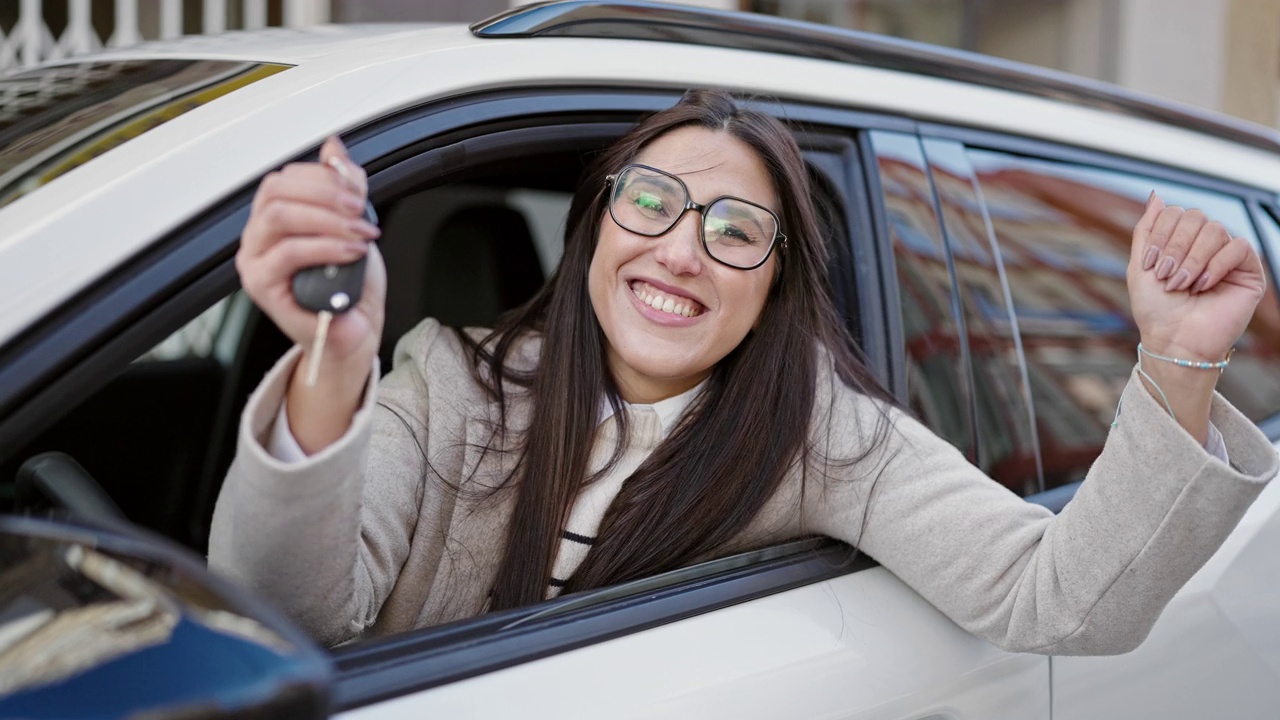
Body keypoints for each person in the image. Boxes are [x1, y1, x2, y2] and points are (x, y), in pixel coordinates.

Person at [209, 91, 1277, 651]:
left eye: (734, 230)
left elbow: (1059, 605)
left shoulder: (819, 437)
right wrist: (331, 363)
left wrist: (1180, 361)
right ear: (594, 232)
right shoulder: (450, 383)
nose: (679, 250)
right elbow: (283, 616)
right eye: (650, 204)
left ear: (772, 285)